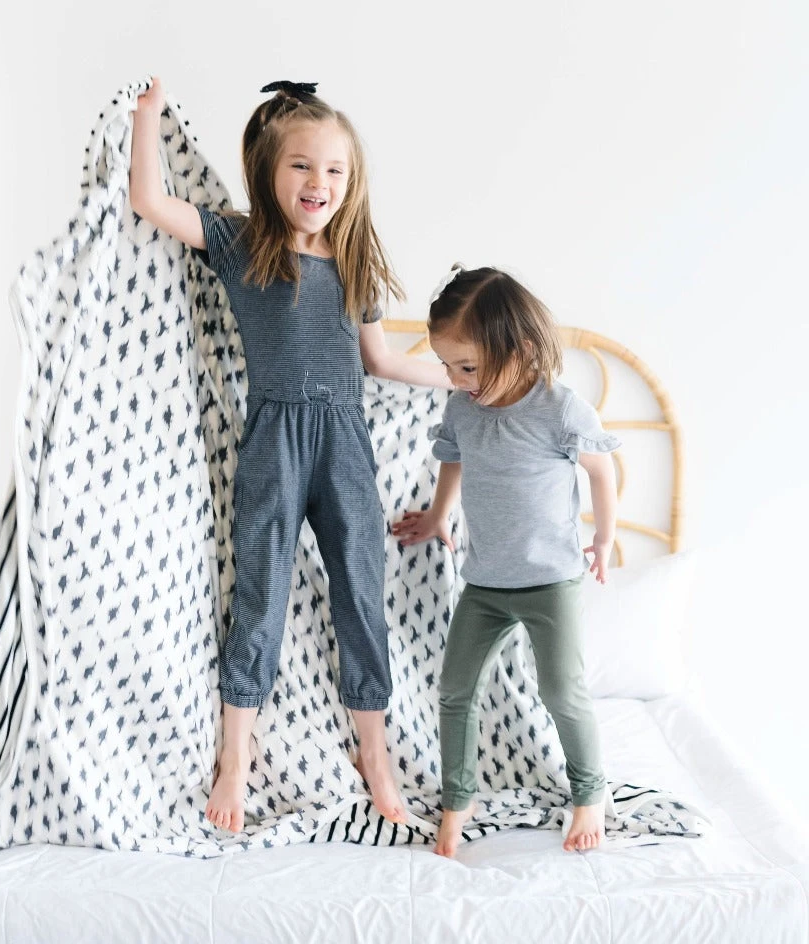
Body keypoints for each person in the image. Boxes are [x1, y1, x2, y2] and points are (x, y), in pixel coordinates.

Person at [129, 78, 450, 833]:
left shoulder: (355, 259)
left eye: (334, 169)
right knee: (261, 592)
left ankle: (375, 753)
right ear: (270, 170)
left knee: (361, 592)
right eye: (302, 165)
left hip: (346, 443)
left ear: (352, 180)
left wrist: (468, 378)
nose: (319, 182)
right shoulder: (243, 243)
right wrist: (147, 118)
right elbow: (149, 200)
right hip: (273, 440)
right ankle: (235, 757)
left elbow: (381, 360)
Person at [393, 265, 620, 856]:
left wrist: (603, 537)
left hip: (552, 581)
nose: (455, 379)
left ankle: (589, 793)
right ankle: (458, 799)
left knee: (562, 690)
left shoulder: (560, 410)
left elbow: (602, 471)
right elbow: (453, 458)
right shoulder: (463, 409)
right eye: (447, 366)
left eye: (467, 367)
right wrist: (438, 516)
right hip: (486, 583)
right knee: (454, 690)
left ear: (518, 350)